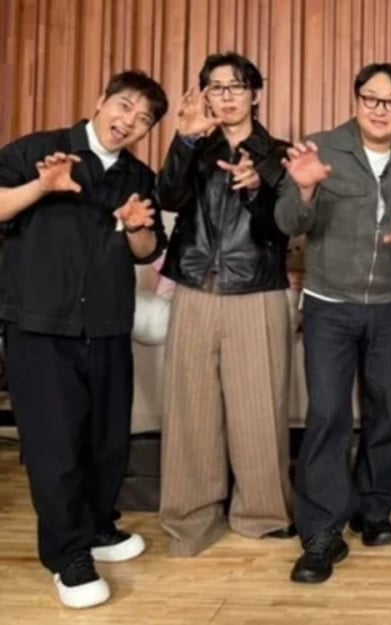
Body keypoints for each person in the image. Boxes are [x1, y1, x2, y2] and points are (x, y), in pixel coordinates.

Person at [0, 71, 168, 608]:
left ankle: (96, 526)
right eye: (124, 106)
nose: (128, 122)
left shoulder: (139, 175)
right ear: (100, 101)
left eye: (143, 119)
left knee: (106, 440)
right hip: (40, 325)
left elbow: (146, 251)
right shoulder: (38, 151)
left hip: (109, 323)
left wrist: (138, 226)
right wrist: (41, 188)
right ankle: (67, 556)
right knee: (56, 447)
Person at [275, 62, 391, 584]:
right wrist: (305, 191)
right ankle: (321, 533)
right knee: (327, 412)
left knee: (385, 410)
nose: (379, 109)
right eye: (371, 98)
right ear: (356, 99)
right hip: (329, 304)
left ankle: (374, 510)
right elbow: (287, 223)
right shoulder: (321, 149)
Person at [156, 52, 295, 557]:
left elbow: (285, 226)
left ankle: (263, 514)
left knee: (260, 409)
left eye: (236, 86)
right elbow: (168, 199)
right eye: (216, 87)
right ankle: (191, 518)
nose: (226, 96)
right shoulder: (195, 145)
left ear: (255, 94)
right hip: (195, 285)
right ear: (205, 96)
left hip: (256, 288)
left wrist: (258, 189)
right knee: (190, 409)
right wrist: (184, 140)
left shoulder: (278, 154)